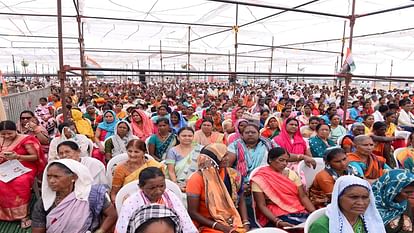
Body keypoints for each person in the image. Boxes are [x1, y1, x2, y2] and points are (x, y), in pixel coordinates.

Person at [31, 159, 117, 233]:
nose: (51, 181)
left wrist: (100, 231)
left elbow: (112, 215)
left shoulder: (91, 195)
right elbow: (38, 229)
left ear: (74, 177)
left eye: (56, 177)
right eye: (48, 176)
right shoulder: (45, 202)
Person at [186, 143, 249, 233]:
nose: (227, 158)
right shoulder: (196, 179)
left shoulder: (232, 174)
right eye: (223, 156)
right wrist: (221, 227)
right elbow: (193, 212)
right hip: (207, 223)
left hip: (232, 220)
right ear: (212, 160)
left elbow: (241, 199)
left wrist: (246, 223)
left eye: (227, 154)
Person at [115, 167, 197, 233]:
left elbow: (185, 222)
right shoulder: (131, 203)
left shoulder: (170, 197)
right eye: (152, 188)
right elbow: (123, 228)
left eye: (161, 186)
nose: (158, 191)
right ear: (141, 187)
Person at [251, 147, 315, 227]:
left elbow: (303, 197)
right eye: (281, 160)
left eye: (286, 161)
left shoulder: (292, 174)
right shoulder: (260, 178)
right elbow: (261, 205)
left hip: (297, 210)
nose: (284, 163)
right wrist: (277, 221)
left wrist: (314, 214)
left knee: (314, 225)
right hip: (275, 213)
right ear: (270, 160)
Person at [0, 120, 46, 228]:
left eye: (10, 133)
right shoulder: (0, 139)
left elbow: (35, 157)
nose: (7, 136)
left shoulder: (26, 139)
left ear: (15, 131)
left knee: (19, 181)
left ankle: (23, 215)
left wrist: (18, 157)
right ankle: (4, 213)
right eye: (3, 134)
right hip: (4, 166)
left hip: (25, 165)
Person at [309, 175, 385, 233]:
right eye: (354, 197)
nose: (361, 203)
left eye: (365, 197)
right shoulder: (322, 226)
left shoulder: (369, 222)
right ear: (338, 198)